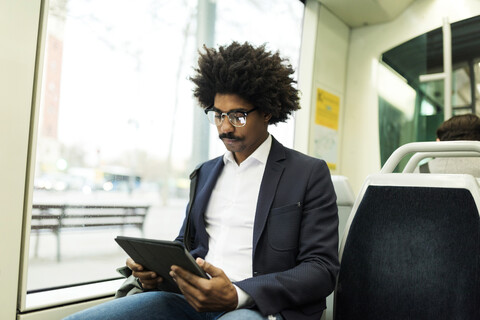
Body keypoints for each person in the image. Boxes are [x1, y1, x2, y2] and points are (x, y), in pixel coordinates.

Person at [64, 41, 339, 320]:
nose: (225, 127)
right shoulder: (205, 173)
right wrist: (155, 273)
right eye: (218, 115)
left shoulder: (307, 173)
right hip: (188, 299)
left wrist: (238, 294)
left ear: (267, 112)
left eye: (238, 116)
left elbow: (321, 269)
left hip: (258, 307)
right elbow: (184, 245)